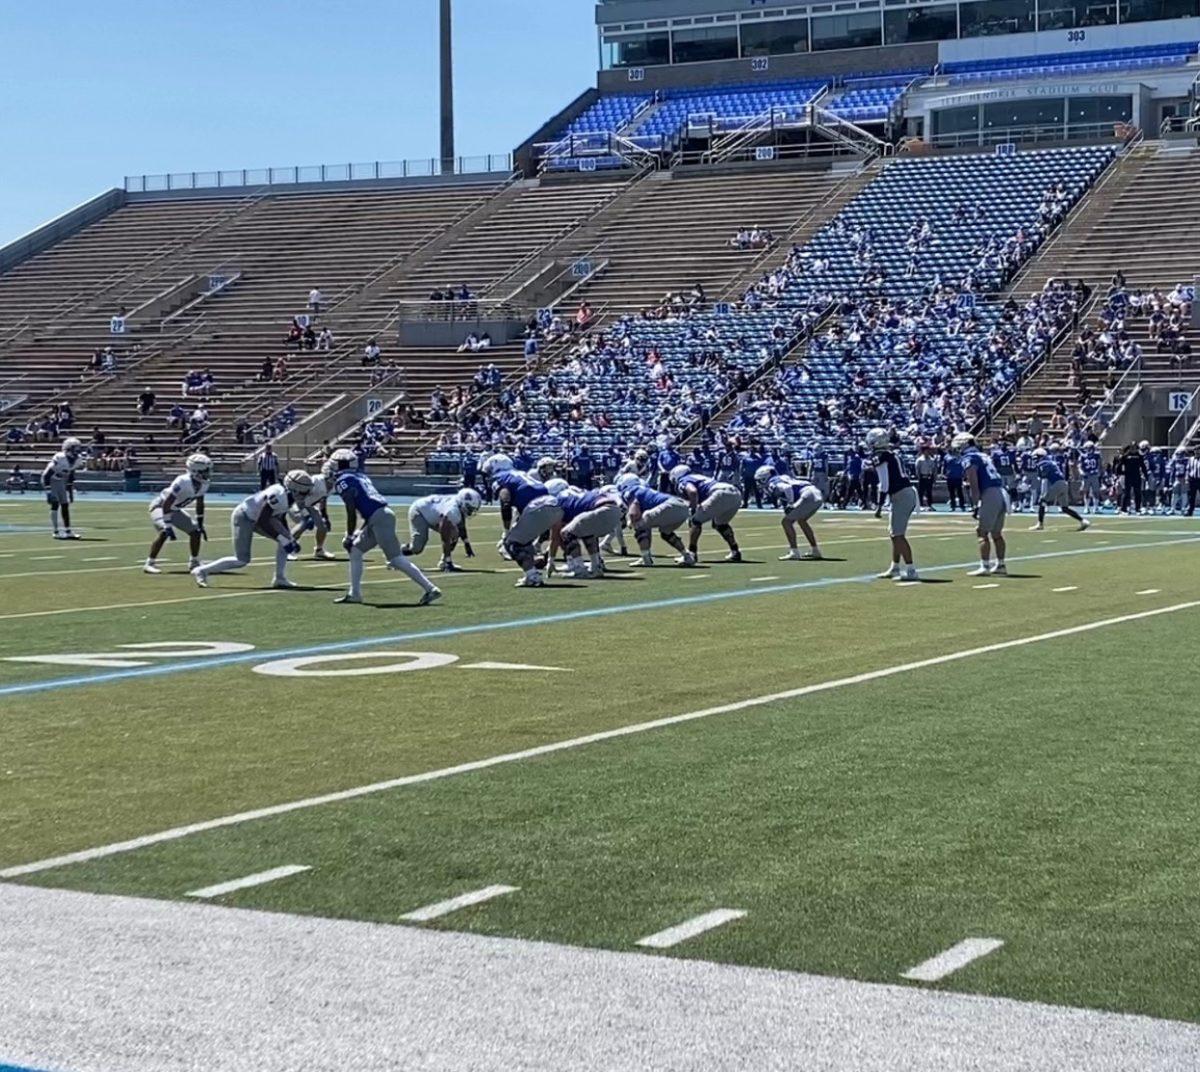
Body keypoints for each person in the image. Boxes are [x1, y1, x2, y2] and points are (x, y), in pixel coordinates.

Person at [324, 449, 441, 605]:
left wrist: (350, 534)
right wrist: (359, 531)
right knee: (355, 551)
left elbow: (351, 510)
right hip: (378, 516)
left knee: (396, 559)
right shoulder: (360, 476)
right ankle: (355, 594)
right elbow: (367, 506)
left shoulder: (344, 481)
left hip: (379, 518)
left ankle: (430, 588)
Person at [191, 483, 299, 590]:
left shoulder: (286, 496)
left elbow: (280, 517)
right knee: (241, 560)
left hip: (259, 518)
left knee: (288, 540)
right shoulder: (279, 495)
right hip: (244, 517)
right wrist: (281, 538)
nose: (305, 496)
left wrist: (289, 537)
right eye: (304, 492)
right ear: (294, 490)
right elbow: (263, 521)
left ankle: (279, 578)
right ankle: (202, 571)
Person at [483, 453, 563, 588]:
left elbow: (505, 501)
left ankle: (532, 576)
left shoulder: (501, 478)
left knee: (511, 543)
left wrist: (506, 530)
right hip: (554, 505)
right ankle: (533, 566)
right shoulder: (520, 474)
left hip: (537, 507)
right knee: (523, 539)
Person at [144, 454, 211, 574]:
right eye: (206, 470)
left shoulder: (204, 483)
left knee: (196, 532)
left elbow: (200, 503)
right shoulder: (183, 481)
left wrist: (200, 523)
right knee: (164, 531)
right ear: (196, 471)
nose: (209, 473)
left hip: (174, 509)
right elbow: (167, 503)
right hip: (160, 506)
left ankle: (194, 562)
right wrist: (168, 525)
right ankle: (149, 563)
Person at [545, 479, 623, 579]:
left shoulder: (558, 500)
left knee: (566, 533)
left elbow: (555, 536)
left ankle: (579, 569)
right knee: (586, 532)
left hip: (602, 509)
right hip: (614, 510)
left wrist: (550, 561)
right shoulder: (575, 494)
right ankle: (596, 567)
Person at [868, 428, 918, 581]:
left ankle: (911, 570)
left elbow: (884, 483)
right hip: (904, 493)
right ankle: (895, 567)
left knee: (898, 535)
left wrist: (879, 505)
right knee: (894, 534)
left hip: (901, 494)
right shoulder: (891, 454)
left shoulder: (882, 456)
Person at [956, 434, 1008, 577]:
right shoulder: (983, 455)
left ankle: (984, 566)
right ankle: (1001, 565)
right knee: (996, 533)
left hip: (989, 493)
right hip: (1000, 491)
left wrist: (975, 503)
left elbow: (973, 481)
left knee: (982, 532)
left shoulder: (969, 458)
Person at [617, 473, 694, 567]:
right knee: (666, 532)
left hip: (669, 505)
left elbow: (634, 513)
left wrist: (631, 522)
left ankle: (646, 558)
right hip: (681, 506)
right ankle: (687, 556)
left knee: (638, 524)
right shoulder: (643, 489)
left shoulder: (630, 490)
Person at [672, 465, 743, 563]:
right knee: (721, 524)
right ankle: (735, 551)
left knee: (694, 521)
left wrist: (692, 509)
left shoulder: (684, 480)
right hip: (735, 493)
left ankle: (691, 554)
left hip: (720, 493)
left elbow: (692, 492)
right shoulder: (697, 476)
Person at [404, 489, 481, 572]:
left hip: (434, 514)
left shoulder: (457, 506)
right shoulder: (452, 511)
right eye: (469, 508)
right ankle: (395, 555)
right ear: (462, 503)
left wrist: (466, 543)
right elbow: (445, 537)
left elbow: (461, 525)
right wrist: (449, 561)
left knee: (454, 534)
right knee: (417, 548)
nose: (471, 511)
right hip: (420, 512)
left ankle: (443, 562)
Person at [756, 465, 823, 560]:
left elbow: (787, 488)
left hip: (806, 495)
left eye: (759, 480)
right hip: (815, 493)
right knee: (802, 521)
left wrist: (791, 503)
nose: (758, 483)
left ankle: (794, 552)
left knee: (786, 522)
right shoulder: (783, 477)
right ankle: (815, 550)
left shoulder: (773, 482)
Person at [283, 469, 337, 561]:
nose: (333, 482)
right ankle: (286, 550)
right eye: (331, 479)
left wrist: (324, 515)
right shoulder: (315, 481)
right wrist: (306, 514)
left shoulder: (333, 487)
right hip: (296, 504)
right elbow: (299, 496)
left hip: (309, 505)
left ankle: (319, 550)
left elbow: (323, 499)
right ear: (326, 478)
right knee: (304, 523)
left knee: (322, 526)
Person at [1029, 448, 1089, 531]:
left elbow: (1044, 478)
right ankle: (1083, 521)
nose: (1035, 460)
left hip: (1056, 484)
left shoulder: (1043, 463)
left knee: (1042, 502)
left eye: (1036, 458)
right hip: (1063, 483)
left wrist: (1042, 492)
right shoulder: (1051, 462)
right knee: (1064, 508)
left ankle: (1040, 524)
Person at [41, 437, 85, 539]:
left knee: (65, 504)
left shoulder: (77, 459)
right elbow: (46, 475)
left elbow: (70, 475)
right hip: (50, 480)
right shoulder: (60, 458)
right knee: (55, 504)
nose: (77, 450)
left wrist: (70, 491)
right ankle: (55, 531)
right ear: (69, 449)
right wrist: (48, 492)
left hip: (60, 481)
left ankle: (68, 531)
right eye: (75, 448)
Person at [1117, 443, 1147, 515]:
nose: (1133, 449)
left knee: (1138, 493)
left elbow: (1143, 466)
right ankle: (1124, 509)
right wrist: (1121, 473)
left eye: (1135, 448)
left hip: (1136, 476)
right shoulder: (1125, 456)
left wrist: (1145, 475)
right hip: (1128, 476)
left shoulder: (1139, 456)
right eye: (1132, 448)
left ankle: (1137, 509)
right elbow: (1119, 465)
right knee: (1127, 493)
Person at [1078, 442, 1103, 513]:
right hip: (1086, 475)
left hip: (1094, 474)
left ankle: (1096, 507)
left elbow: (1100, 464)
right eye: (1088, 448)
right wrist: (1081, 472)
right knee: (1086, 491)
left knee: (1096, 492)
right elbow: (1079, 466)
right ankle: (1087, 507)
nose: (1089, 449)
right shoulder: (1082, 456)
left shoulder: (1097, 455)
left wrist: (1099, 472)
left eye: (1090, 447)